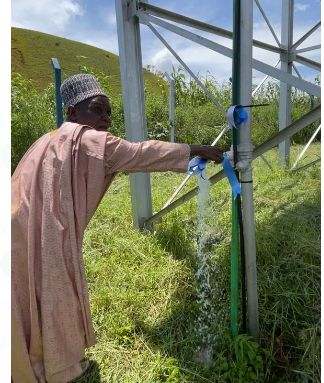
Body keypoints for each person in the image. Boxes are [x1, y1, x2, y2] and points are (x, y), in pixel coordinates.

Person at [11, 74, 223, 382]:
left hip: (17, 230)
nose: (106, 119)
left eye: (109, 112)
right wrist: (196, 149)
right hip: (46, 236)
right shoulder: (87, 139)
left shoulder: (44, 141)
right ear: (73, 113)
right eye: (97, 109)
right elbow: (140, 153)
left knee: (21, 299)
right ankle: (56, 369)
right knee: (55, 296)